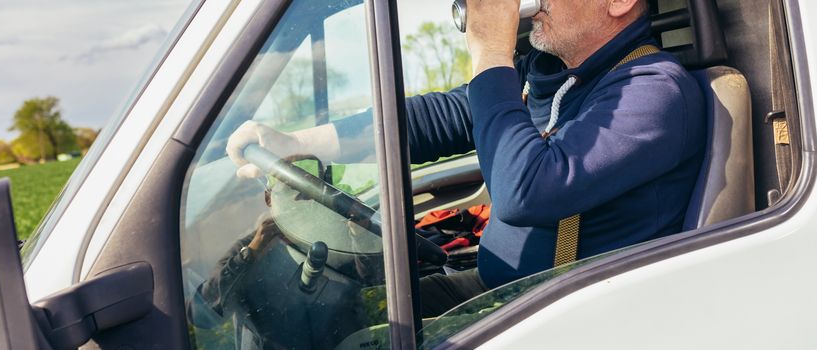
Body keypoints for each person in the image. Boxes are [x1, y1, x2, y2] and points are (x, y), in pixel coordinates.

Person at [226, 0, 706, 317]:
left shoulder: (652, 91)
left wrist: (489, 51)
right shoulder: (552, 76)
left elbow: (526, 192)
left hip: (555, 313)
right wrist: (296, 141)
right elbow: (435, 118)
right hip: (497, 290)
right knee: (337, 312)